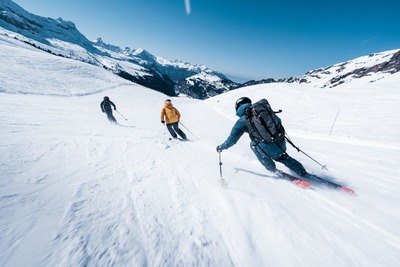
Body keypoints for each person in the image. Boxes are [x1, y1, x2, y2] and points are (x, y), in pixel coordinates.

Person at [216, 97, 308, 177]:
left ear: (238, 107)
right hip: (280, 142)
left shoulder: (242, 120)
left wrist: (222, 147)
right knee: (282, 157)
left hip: (266, 147)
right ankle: (303, 172)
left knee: (253, 145)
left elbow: (232, 139)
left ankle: (272, 170)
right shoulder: (263, 112)